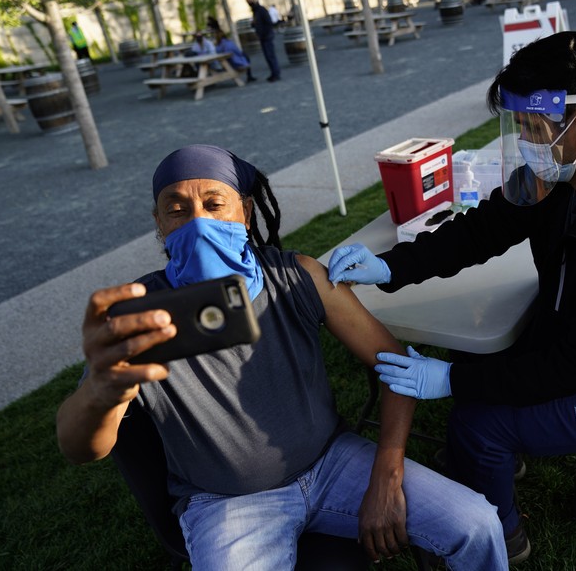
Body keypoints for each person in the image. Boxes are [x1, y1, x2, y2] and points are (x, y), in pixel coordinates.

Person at [328, 32, 576, 564]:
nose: (524, 141)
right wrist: (391, 266)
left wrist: (451, 381)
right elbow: (484, 228)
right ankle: (503, 458)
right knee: (477, 364)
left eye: (532, 127)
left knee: (476, 423)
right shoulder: (561, 178)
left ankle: (505, 533)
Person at [55, 145, 507, 570]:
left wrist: (387, 476)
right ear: (159, 223)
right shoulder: (143, 317)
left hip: (332, 464)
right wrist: (102, 391)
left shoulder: (295, 276)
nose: (197, 222)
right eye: (177, 210)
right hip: (227, 503)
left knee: (477, 524)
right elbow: (80, 449)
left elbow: (394, 365)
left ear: (245, 212)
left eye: (215, 204)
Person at [246, 0, 281, 82]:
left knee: (270, 55)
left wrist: (264, 33)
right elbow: (258, 24)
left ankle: (276, 74)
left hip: (266, 36)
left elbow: (268, 22)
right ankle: (273, 73)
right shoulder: (256, 11)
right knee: (267, 56)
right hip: (263, 36)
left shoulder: (260, 10)